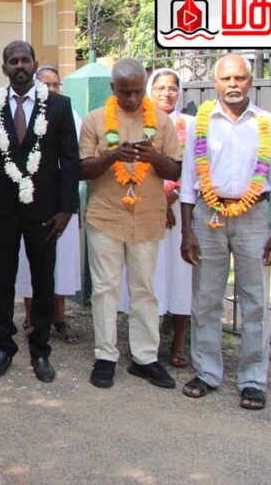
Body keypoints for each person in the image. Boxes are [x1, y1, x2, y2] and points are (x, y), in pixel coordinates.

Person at [180, 54, 271, 410]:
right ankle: (207, 372)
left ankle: (253, 381)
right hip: (208, 215)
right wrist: (187, 230)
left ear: (250, 81)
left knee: (255, 302)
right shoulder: (201, 124)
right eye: (226, 79)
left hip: (253, 217)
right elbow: (188, 179)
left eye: (240, 78)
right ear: (215, 83)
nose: (233, 85)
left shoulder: (268, 124)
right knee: (205, 299)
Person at [0, 42, 79, 382]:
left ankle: (40, 350)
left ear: (34, 64)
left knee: (43, 280)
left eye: (25, 60)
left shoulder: (58, 105)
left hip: (44, 212)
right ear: (4, 68)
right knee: (2, 280)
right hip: (0, 210)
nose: (19, 66)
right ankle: (4, 345)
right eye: (13, 61)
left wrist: (66, 209)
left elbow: (70, 161)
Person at [79, 58, 182, 390]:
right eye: (125, 92)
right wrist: (111, 156)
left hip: (148, 216)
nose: (133, 98)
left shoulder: (162, 122)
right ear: (113, 89)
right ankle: (105, 355)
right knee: (105, 289)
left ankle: (145, 358)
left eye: (138, 91)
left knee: (144, 289)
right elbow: (82, 169)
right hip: (106, 216)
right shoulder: (95, 120)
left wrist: (155, 158)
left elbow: (175, 170)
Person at [116, 68, 193, 366]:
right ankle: (149, 343)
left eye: (172, 88)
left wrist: (172, 197)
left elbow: (194, 168)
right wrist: (159, 199)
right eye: (159, 87)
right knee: (149, 276)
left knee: (179, 275)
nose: (166, 93)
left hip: (179, 210)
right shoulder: (139, 122)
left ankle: (178, 344)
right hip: (145, 207)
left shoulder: (191, 125)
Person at [15, 66, 82, 344]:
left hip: (60, 202)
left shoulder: (69, 113)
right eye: (47, 84)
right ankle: (31, 316)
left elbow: (73, 160)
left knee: (61, 263)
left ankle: (59, 317)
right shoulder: (23, 111)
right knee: (30, 262)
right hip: (29, 199)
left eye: (56, 84)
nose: (52, 89)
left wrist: (68, 203)